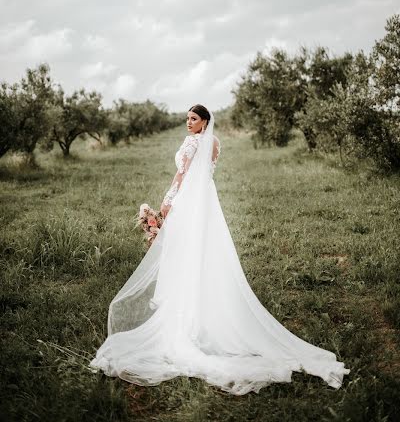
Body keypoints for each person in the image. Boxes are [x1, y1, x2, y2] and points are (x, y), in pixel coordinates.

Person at [89, 104, 350, 395]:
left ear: (205, 121)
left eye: (193, 119)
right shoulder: (214, 142)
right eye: (186, 118)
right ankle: (200, 312)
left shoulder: (192, 142)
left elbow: (182, 174)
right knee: (203, 252)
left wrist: (166, 202)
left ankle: (188, 318)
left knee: (186, 254)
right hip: (206, 201)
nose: (188, 123)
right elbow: (206, 172)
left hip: (189, 200)